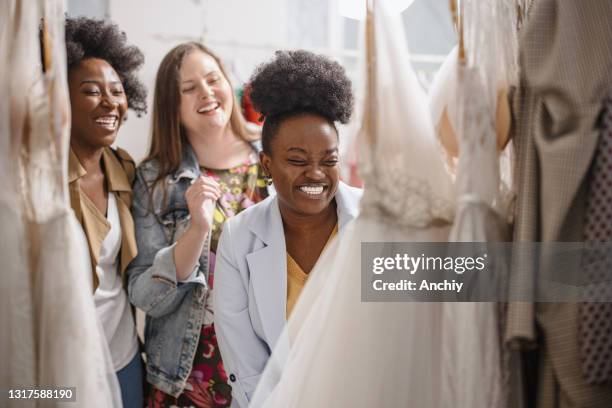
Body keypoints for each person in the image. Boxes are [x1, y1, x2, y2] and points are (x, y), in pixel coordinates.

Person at [213, 50, 363, 408]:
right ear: (267, 163)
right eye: (297, 160)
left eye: (329, 161)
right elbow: (245, 363)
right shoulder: (239, 237)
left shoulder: (374, 222)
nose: (316, 174)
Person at [126, 42, 269, 407]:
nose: (206, 93)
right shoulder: (155, 180)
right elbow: (144, 296)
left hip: (265, 374)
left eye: (212, 80)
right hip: (185, 381)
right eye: (189, 89)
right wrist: (197, 230)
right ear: (172, 107)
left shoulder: (274, 157)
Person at [65, 16, 147, 408]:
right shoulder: (39, 178)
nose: (110, 102)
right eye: (91, 91)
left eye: (116, 90)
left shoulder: (124, 168)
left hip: (123, 356)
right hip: (64, 362)